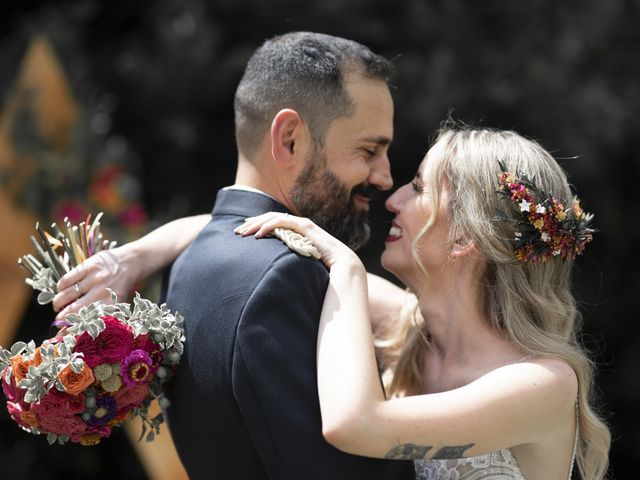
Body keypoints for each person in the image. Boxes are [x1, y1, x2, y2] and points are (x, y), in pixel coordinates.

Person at [55, 125, 611, 479]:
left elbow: (354, 425)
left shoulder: (544, 385)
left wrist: (343, 265)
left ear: (466, 237)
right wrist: (134, 259)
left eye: (418, 188)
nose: (392, 200)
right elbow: (240, 231)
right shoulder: (412, 330)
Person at [55, 31, 414, 480]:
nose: (384, 177)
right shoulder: (287, 276)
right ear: (289, 140)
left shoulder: (188, 260)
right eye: (369, 150)